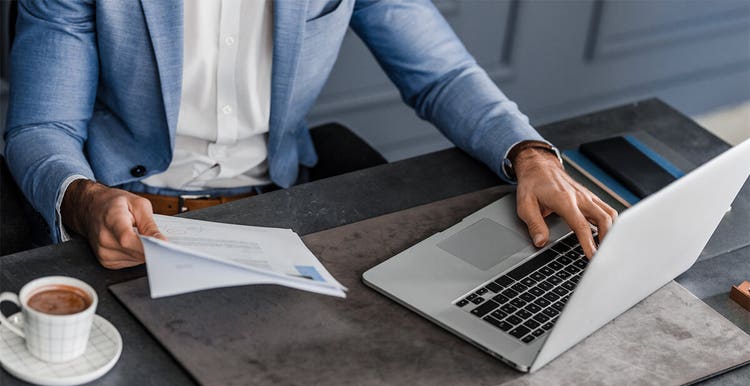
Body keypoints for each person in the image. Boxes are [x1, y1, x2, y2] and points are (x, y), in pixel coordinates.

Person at [4, 0, 617, 269]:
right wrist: (83, 201)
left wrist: (530, 154)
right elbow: (41, 126)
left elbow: (444, 74)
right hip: (128, 228)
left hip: (281, 213)